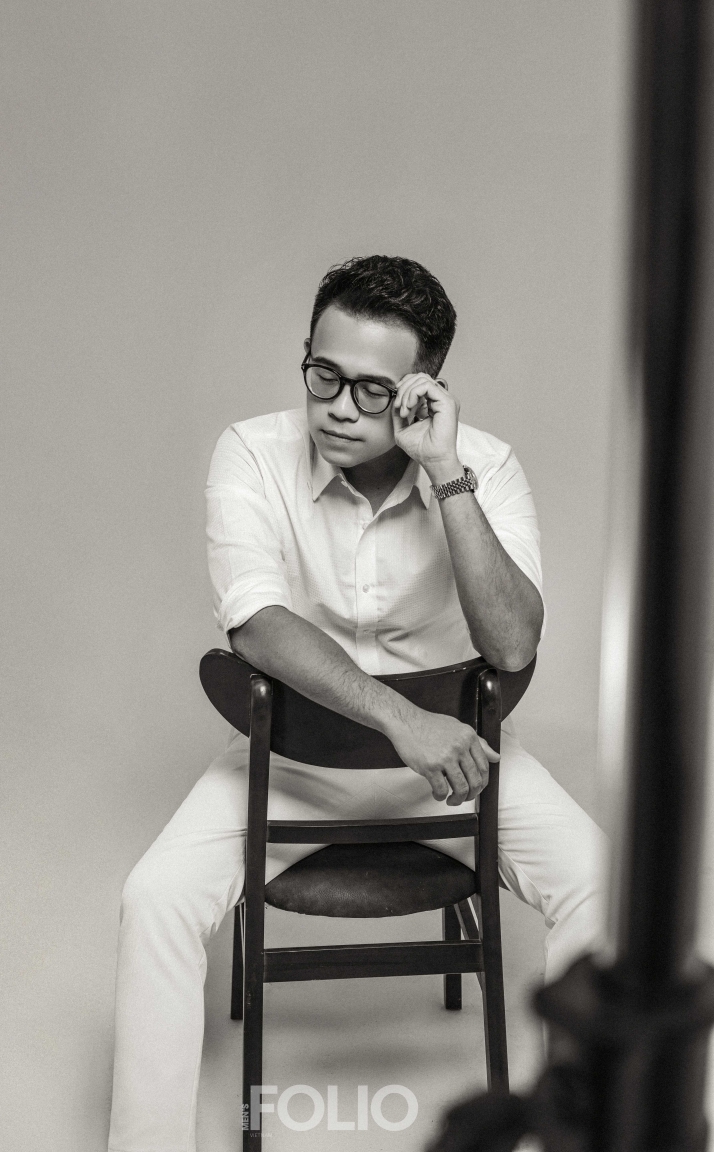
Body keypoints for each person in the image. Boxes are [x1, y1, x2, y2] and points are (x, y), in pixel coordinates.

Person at [107, 255, 607, 1152]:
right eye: (323, 374)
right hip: (292, 770)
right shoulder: (250, 452)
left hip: (456, 775)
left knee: (597, 878)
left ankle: (576, 1135)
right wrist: (402, 720)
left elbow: (513, 643)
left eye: (373, 390)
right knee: (155, 901)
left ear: (424, 390)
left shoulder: (485, 465)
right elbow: (256, 624)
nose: (339, 407)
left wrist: (445, 470)